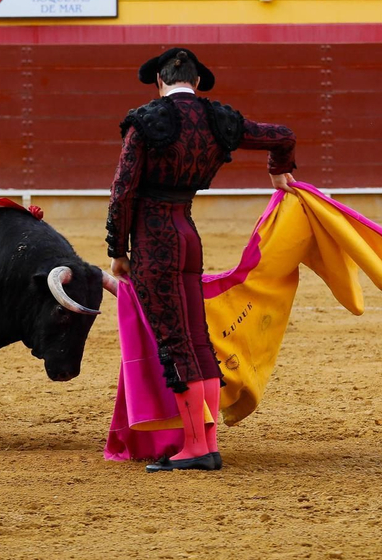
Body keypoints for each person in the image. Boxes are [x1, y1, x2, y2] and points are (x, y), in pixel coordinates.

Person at [107, 47, 295, 474]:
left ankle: (195, 446)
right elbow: (282, 134)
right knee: (196, 338)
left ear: (159, 81)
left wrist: (118, 251)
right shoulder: (217, 119)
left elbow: (123, 191)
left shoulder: (147, 121)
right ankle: (204, 442)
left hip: (156, 240)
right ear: (196, 82)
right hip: (189, 235)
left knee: (175, 342)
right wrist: (278, 171)